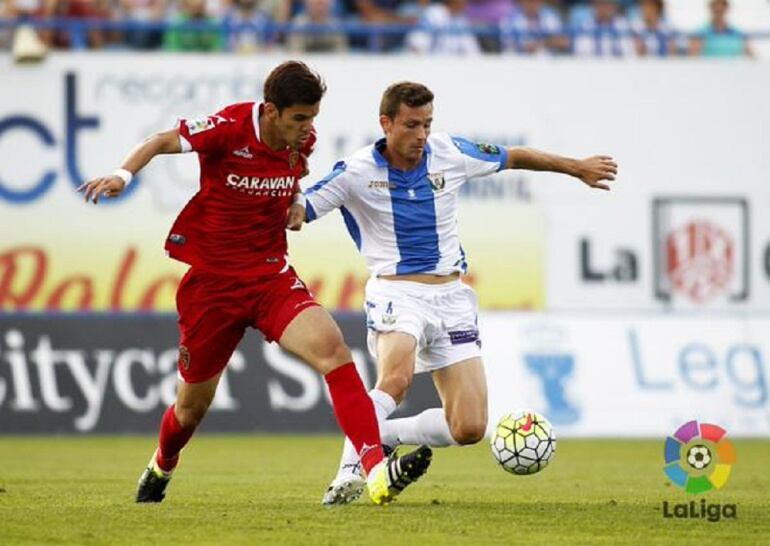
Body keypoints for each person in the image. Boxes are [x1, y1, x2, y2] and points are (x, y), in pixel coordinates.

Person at [77, 61, 432, 506]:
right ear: (270, 111)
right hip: (213, 286)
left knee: (334, 352)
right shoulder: (228, 127)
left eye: (312, 119)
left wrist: (297, 203)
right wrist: (122, 176)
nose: (306, 129)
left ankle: (374, 473)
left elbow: (296, 175)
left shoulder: (301, 140)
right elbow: (161, 140)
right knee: (190, 409)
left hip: (270, 276)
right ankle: (162, 463)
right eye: (299, 119)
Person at [286, 81, 617, 505]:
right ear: (386, 123)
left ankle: (382, 433)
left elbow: (514, 156)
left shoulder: (449, 153)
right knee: (396, 380)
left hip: (453, 297)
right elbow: (303, 209)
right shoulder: (355, 172)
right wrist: (291, 206)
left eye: (426, 124)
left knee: (469, 427)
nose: (421, 134)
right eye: (411, 125)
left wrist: (576, 167)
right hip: (396, 293)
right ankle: (351, 472)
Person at [688, 0, 752, 58]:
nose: (719, 8)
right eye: (715, 5)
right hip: (708, 69)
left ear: (727, 8)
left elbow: (751, 56)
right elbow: (693, 58)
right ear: (710, 7)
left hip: (733, 69)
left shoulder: (737, 33)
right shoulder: (699, 33)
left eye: (722, 5)